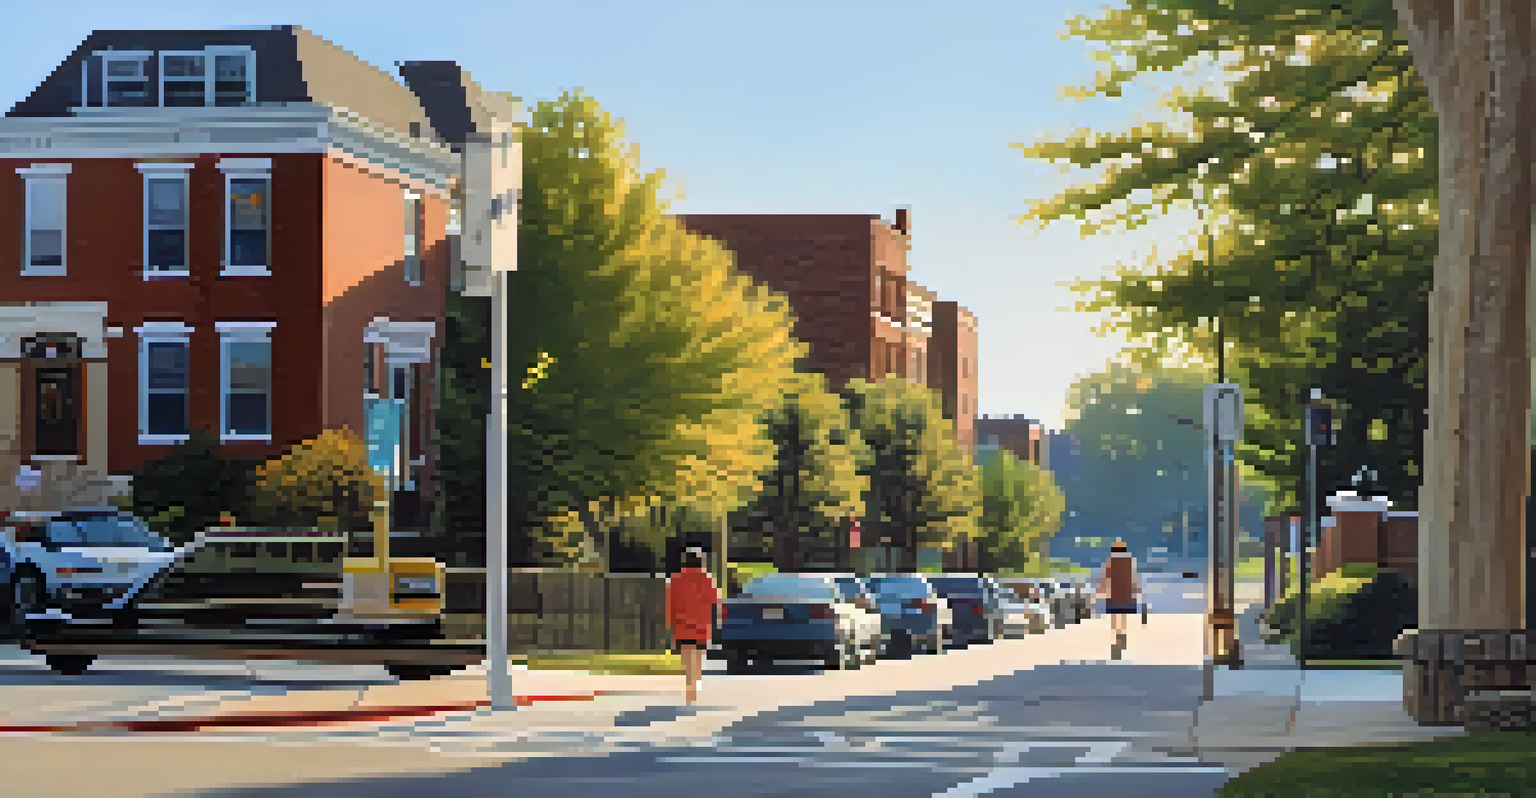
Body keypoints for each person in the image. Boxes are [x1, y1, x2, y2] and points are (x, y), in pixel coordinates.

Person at [665, 546, 720, 705]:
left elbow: (670, 604)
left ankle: (690, 690)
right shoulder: (708, 579)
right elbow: (714, 601)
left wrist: (670, 625)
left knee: (687, 660)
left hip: (682, 626)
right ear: (701, 561)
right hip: (702, 626)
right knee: (698, 659)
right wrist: (715, 621)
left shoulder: (675, 579)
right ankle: (694, 688)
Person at [1095, 539, 1144, 659]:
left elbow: (1105, 577)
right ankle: (1121, 632)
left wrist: (1100, 590)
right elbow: (1133, 576)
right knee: (1122, 614)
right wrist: (1137, 588)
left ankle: (1117, 634)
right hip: (1125, 591)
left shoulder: (1110, 562)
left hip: (1114, 591)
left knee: (1114, 614)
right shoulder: (1129, 561)